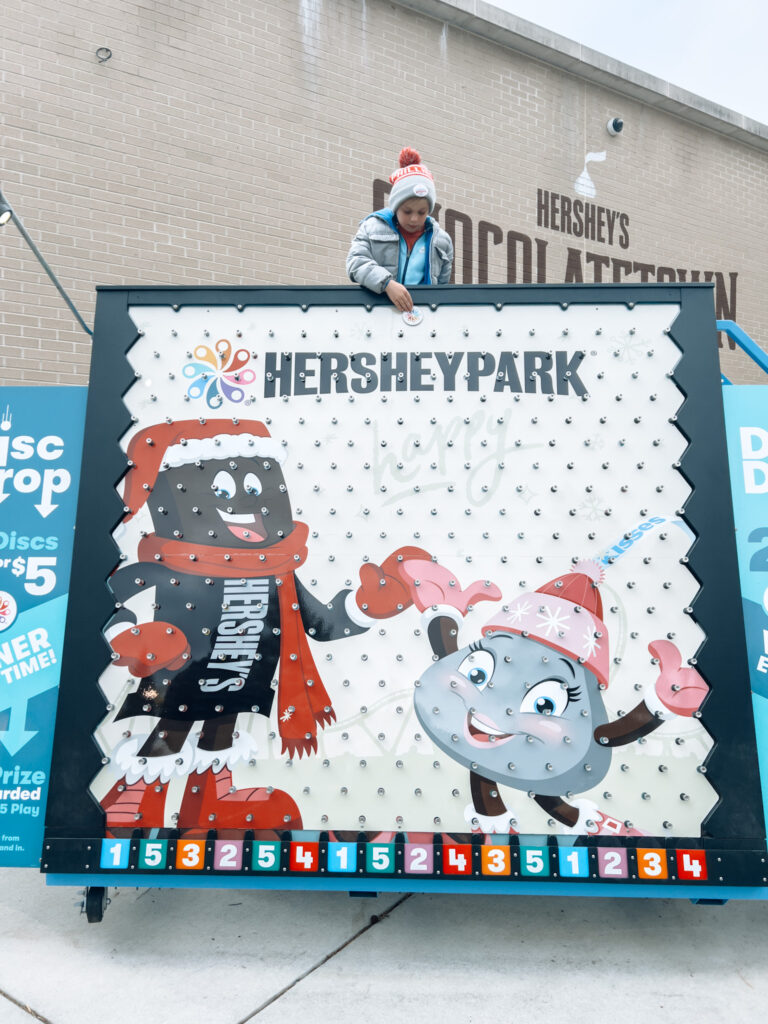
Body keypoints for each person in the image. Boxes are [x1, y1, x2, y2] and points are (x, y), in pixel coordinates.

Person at [346, 148, 454, 312]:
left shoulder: (443, 242)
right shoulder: (371, 227)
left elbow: (442, 289)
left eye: (422, 212)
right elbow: (355, 262)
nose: (414, 219)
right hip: (378, 314)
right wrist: (387, 284)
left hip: (422, 319)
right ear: (395, 206)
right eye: (407, 211)